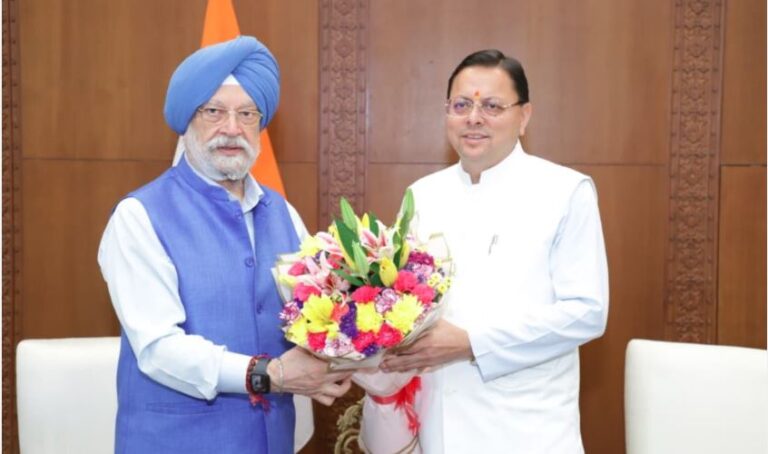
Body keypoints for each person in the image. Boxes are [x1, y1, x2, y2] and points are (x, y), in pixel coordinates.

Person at [98, 36, 352, 453]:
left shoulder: (283, 212)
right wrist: (268, 374)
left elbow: (316, 315)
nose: (232, 129)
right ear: (187, 121)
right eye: (214, 111)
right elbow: (159, 348)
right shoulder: (139, 216)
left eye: (247, 114)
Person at [380, 49, 609, 453]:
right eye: (461, 105)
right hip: (438, 425)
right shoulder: (423, 195)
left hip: (526, 429)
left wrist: (473, 342)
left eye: (492, 106)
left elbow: (586, 312)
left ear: (524, 117)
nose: (474, 118)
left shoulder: (564, 191)